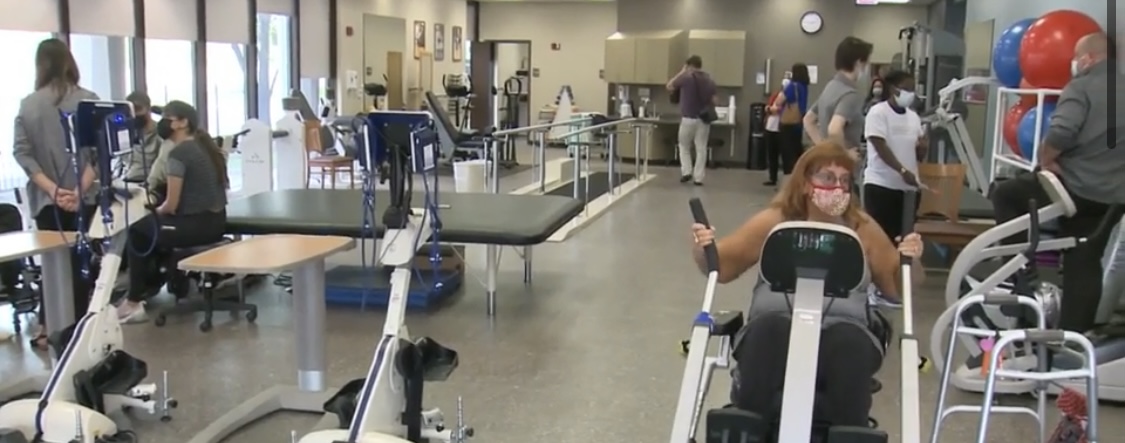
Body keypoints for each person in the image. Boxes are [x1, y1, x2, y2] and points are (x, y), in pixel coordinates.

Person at [689, 142, 924, 430]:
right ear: (804, 184)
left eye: (844, 181)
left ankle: (851, 434)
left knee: (848, 343)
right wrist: (704, 247)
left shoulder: (863, 228)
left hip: (845, 326)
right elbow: (720, 267)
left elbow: (898, 289)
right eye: (827, 177)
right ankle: (746, 429)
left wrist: (910, 259)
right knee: (769, 331)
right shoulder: (776, 221)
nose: (837, 187)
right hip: (775, 322)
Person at [990, 32, 1125, 334]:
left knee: (1006, 193)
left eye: (1076, 57)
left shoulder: (1082, 87)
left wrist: (1045, 159)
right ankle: (1074, 337)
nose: (1074, 63)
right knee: (1084, 260)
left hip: (1074, 189)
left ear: (1088, 58)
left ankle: (1019, 274)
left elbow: (1062, 131)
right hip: (1112, 199)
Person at [12, 38, 99, 349]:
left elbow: (22, 154)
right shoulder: (89, 101)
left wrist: (52, 189)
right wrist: (77, 190)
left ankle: (48, 326)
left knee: (51, 266)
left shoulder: (28, 105)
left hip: (47, 200)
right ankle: (75, 329)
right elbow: (100, 154)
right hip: (83, 198)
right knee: (80, 265)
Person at [116, 101, 230, 322]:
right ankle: (154, 285)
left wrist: (153, 211)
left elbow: (171, 205)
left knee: (137, 230)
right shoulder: (204, 146)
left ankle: (133, 301)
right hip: (216, 222)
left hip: (196, 226)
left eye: (168, 118)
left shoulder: (179, 154)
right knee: (152, 228)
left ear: (182, 123)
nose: (163, 123)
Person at [862, 70, 927, 308]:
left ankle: (896, 288)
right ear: (893, 89)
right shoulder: (878, 113)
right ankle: (874, 288)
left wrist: (922, 148)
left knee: (904, 240)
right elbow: (880, 146)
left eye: (913, 88)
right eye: (906, 88)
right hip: (881, 185)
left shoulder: (913, 117)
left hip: (909, 190)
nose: (910, 93)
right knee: (881, 239)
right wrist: (901, 171)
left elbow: (917, 153)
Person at [805, 36, 875, 159]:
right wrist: (845, 154)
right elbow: (834, 129)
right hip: (842, 165)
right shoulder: (851, 94)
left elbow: (808, 119)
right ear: (859, 62)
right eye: (867, 63)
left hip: (826, 160)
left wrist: (823, 148)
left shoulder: (831, 86)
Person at [666, 54, 717, 186]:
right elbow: (714, 100)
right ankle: (698, 178)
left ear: (689, 65)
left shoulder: (686, 77)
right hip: (704, 119)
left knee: (684, 145)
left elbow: (670, 86)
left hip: (688, 118)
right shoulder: (709, 79)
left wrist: (682, 72)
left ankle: (686, 172)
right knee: (701, 148)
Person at [765, 64, 811, 186]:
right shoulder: (804, 87)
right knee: (797, 153)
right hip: (798, 124)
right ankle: (800, 182)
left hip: (787, 125)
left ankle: (789, 185)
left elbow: (779, 100)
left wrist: (771, 108)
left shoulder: (792, 86)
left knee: (788, 156)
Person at [122, 91, 166, 183]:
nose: (135, 114)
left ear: (148, 109)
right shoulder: (126, 133)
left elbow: (162, 167)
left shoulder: (160, 134)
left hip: (147, 184)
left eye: (137, 109)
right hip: (125, 181)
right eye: (131, 111)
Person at [762, 79, 787, 185]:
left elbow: (778, 110)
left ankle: (786, 178)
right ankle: (773, 177)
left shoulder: (789, 99)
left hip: (781, 128)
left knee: (784, 155)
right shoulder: (776, 95)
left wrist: (773, 110)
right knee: (772, 154)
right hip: (770, 127)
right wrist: (770, 109)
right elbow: (769, 107)